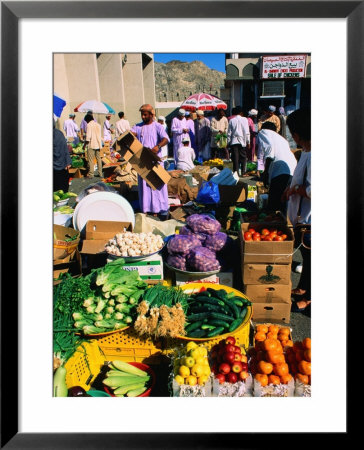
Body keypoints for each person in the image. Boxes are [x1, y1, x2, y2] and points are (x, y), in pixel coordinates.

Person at [282, 108, 311, 312]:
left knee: (314, 257)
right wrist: (290, 188)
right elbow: (299, 176)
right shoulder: (306, 151)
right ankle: (303, 288)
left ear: (297, 134)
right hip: (302, 218)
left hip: (310, 218)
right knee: (308, 258)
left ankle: (310, 298)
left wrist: (297, 190)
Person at [131, 104, 170, 220]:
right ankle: (146, 209)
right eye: (142, 114)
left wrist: (158, 146)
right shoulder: (138, 127)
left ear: (151, 115)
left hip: (155, 161)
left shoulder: (158, 126)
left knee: (157, 185)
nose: (143, 117)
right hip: (143, 161)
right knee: (144, 186)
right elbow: (132, 133)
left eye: (145, 114)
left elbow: (166, 139)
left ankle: (158, 210)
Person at [256, 121, 297, 214]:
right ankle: (282, 225)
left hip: (280, 171)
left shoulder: (264, 132)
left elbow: (269, 153)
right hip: (292, 169)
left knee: (273, 205)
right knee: (283, 203)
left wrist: (266, 174)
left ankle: (273, 226)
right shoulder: (282, 139)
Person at [227, 106, 250, 176]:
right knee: (243, 157)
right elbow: (246, 131)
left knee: (235, 157)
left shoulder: (231, 120)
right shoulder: (245, 119)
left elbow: (229, 133)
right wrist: (248, 141)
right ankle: (243, 172)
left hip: (234, 141)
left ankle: (235, 172)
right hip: (242, 140)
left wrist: (228, 142)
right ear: (241, 113)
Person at [53, 121, 72, 192]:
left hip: (54, 168)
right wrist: (68, 161)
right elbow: (65, 149)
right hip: (62, 166)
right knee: (63, 190)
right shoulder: (59, 133)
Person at [83, 113, 103, 178]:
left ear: (87, 120)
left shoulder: (89, 125)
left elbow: (88, 137)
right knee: (99, 159)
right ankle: (100, 173)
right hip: (98, 144)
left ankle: (91, 174)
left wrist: (84, 145)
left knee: (91, 160)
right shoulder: (98, 125)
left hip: (91, 144)